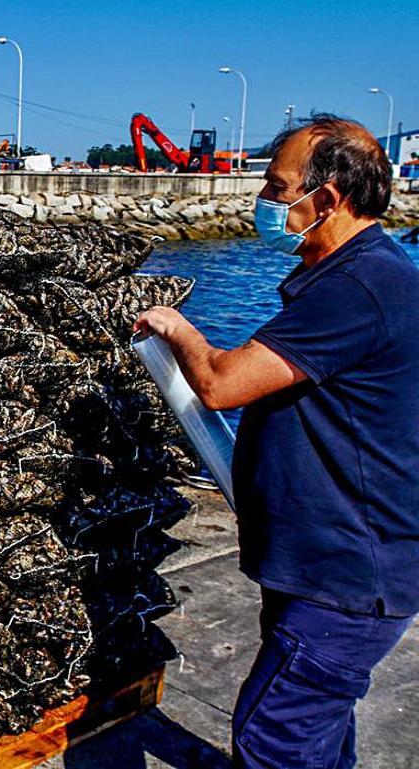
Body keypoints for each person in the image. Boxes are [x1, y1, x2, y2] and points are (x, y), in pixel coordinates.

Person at [135, 114, 418, 769]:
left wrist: (178, 328)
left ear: (326, 199)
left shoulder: (360, 286)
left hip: (345, 581)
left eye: (275, 185)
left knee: (273, 737)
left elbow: (221, 383)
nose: (263, 201)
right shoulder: (365, 271)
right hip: (330, 568)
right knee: (317, 733)